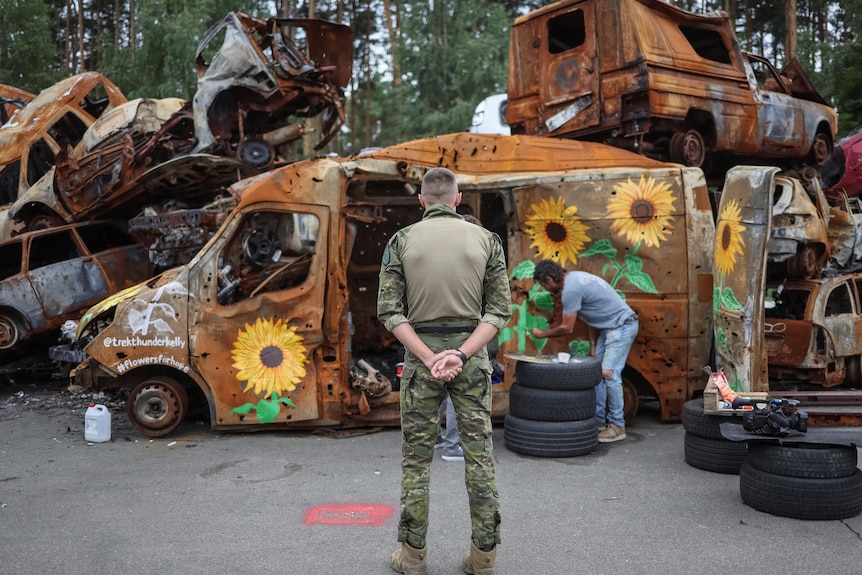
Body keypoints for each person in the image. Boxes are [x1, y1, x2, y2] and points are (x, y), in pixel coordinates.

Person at [378, 167, 512, 575]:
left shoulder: (401, 241)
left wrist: (428, 356)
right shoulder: (487, 241)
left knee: (416, 462)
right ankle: (483, 559)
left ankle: (413, 558)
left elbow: (389, 311)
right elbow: (499, 311)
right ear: (457, 200)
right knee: (480, 459)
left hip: (421, 361)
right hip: (470, 360)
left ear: (422, 201)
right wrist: (462, 353)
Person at [530, 259, 638, 443]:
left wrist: (543, 334)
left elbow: (567, 328)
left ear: (549, 279)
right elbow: (590, 315)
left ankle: (617, 426)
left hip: (621, 326)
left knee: (608, 374)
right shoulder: (576, 279)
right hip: (610, 329)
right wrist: (594, 346)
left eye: (542, 284)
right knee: (596, 372)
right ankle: (598, 423)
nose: (544, 289)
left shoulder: (571, 289)